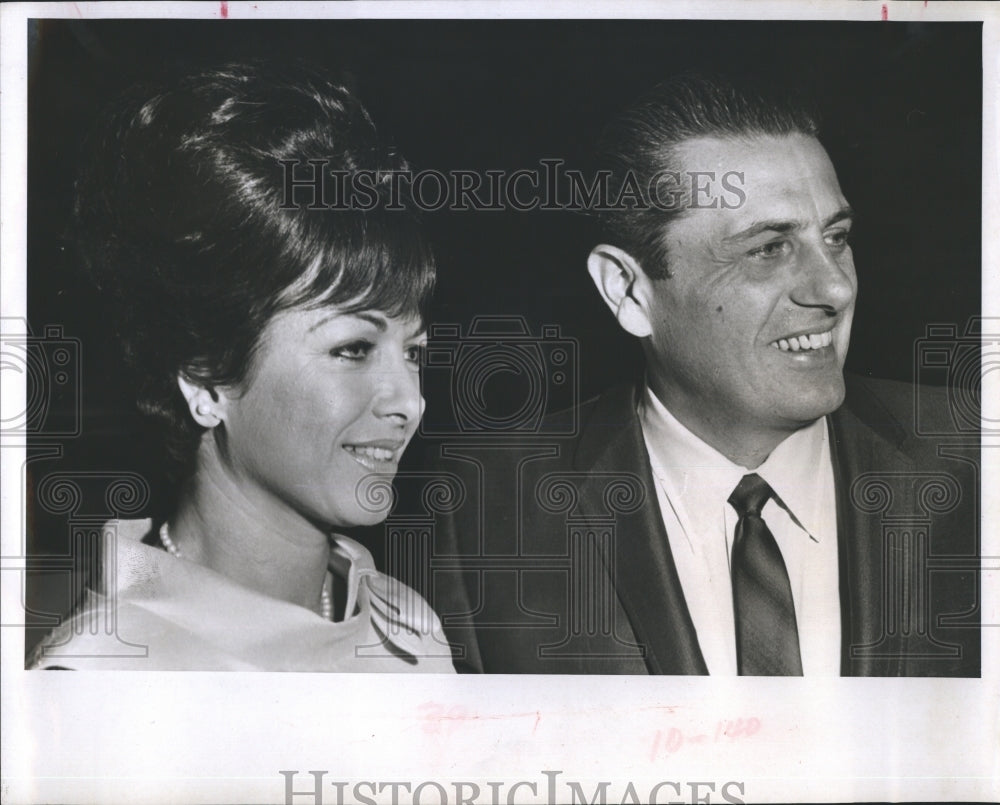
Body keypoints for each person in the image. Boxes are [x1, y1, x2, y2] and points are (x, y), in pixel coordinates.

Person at [431, 73, 979, 676]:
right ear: (629, 291)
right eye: (768, 249)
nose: (836, 287)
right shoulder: (481, 512)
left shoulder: (977, 455)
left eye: (837, 237)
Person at [29, 61, 455, 672]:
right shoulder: (102, 672)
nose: (408, 402)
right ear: (206, 379)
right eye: (352, 350)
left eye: (413, 353)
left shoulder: (413, 628)